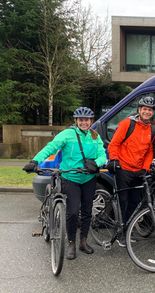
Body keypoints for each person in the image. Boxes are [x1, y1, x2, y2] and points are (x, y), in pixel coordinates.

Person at [23, 107, 107, 260]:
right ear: (76, 121)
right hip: (70, 177)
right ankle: (71, 244)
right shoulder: (67, 134)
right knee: (73, 212)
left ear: (91, 121)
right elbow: (51, 147)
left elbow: (103, 154)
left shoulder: (95, 136)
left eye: (86, 120)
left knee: (87, 212)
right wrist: (35, 160)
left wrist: (96, 163)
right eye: (80, 120)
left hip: (88, 178)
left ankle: (83, 241)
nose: (83, 122)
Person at [107, 96, 155, 247]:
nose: (147, 112)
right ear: (139, 110)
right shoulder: (127, 124)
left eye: (150, 110)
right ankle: (120, 234)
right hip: (123, 169)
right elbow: (114, 144)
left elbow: (149, 152)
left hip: (138, 171)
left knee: (134, 203)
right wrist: (114, 159)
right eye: (144, 109)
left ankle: (128, 232)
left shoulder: (152, 131)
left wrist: (145, 168)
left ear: (153, 113)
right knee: (123, 202)